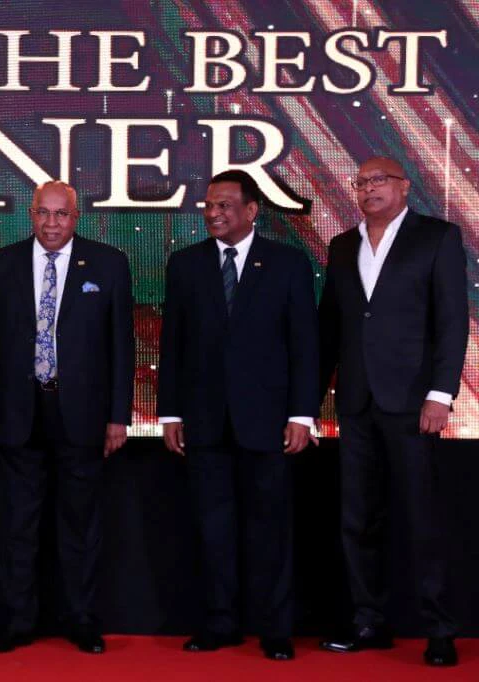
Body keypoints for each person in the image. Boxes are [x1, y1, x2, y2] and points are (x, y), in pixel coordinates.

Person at [157, 170, 318, 661]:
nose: (214, 214)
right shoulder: (185, 264)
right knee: (213, 529)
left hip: (268, 422)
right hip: (204, 421)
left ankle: (276, 629)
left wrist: (302, 415)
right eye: (209, 206)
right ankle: (219, 623)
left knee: (271, 530)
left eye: (225, 205)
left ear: (251, 211)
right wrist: (169, 413)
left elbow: (304, 345)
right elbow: (173, 343)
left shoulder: (288, 263)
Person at [0, 180, 134, 654]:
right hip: (18, 413)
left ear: (76, 218)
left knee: (80, 525)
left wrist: (118, 416)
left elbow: (121, 345)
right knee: (17, 525)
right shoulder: (1, 265)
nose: (52, 223)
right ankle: (17, 621)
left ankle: (80, 620)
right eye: (44, 212)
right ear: (32, 214)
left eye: (62, 214)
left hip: (83, 415)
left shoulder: (108, 263)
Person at [318, 156, 468, 667]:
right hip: (356, 402)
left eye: (378, 180)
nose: (368, 189)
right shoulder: (342, 245)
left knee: (421, 517)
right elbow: (330, 328)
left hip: (413, 402)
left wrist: (441, 394)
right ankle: (369, 622)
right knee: (358, 518)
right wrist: (308, 404)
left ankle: (439, 630)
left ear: (405, 186)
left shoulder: (437, 237)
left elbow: (452, 321)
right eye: (361, 183)